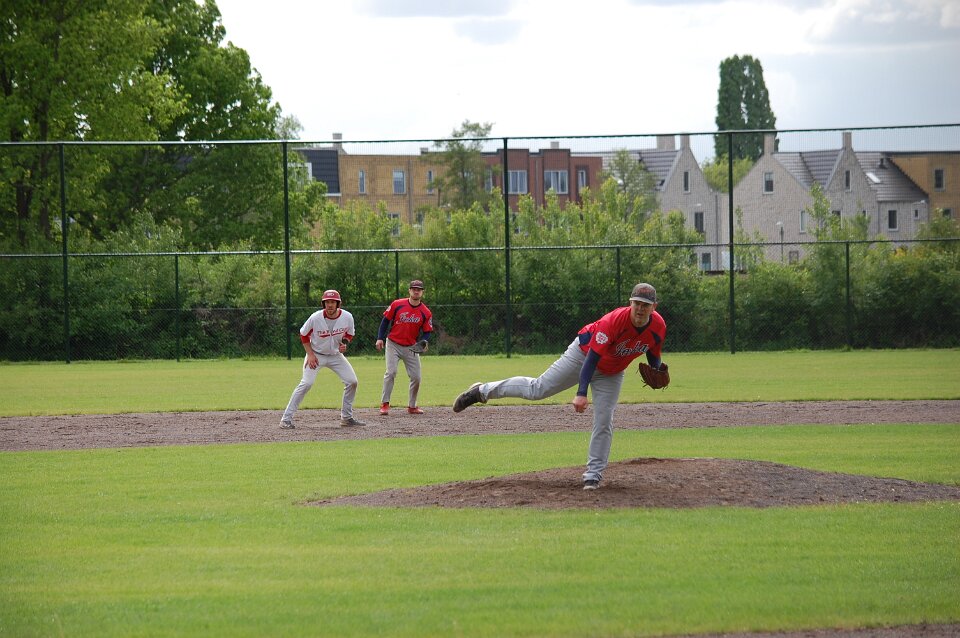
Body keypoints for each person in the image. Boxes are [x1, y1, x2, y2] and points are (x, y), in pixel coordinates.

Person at [452, 282, 667, 491]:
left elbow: (652, 351)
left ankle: (593, 476)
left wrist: (657, 368)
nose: (640, 309)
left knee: (604, 420)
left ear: (654, 307)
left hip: (612, 372)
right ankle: (481, 391)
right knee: (538, 389)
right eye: (637, 303)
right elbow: (591, 360)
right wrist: (581, 393)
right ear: (630, 303)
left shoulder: (658, 326)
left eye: (645, 305)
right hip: (582, 356)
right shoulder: (613, 321)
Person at [280, 289, 366, 428]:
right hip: (316, 355)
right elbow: (303, 335)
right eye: (327, 302)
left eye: (333, 302)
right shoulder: (315, 318)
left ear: (338, 304)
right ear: (323, 304)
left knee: (352, 381)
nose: (330, 305)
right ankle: (286, 419)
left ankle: (346, 418)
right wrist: (310, 354)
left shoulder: (347, 317)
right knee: (306, 383)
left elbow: (349, 334)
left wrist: (344, 343)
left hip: (336, 356)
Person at [375, 279, 434, 415]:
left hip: (411, 347)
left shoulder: (425, 312)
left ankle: (412, 406)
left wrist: (423, 341)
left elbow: (427, 331)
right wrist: (379, 338)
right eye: (414, 289)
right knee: (391, 372)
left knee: (416, 377)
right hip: (393, 344)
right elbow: (385, 321)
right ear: (409, 290)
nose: (416, 291)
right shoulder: (397, 304)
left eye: (419, 289)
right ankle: (385, 404)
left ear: (422, 292)